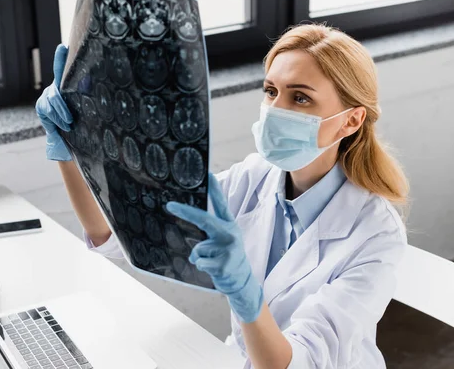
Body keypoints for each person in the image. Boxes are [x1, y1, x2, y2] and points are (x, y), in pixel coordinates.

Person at [36, 23, 409, 369]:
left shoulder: (376, 234)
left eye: (300, 99)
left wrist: (246, 292)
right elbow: (119, 235)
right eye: (271, 91)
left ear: (351, 120)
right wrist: (74, 147)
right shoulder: (254, 179)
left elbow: (298, 363)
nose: (275, 110)